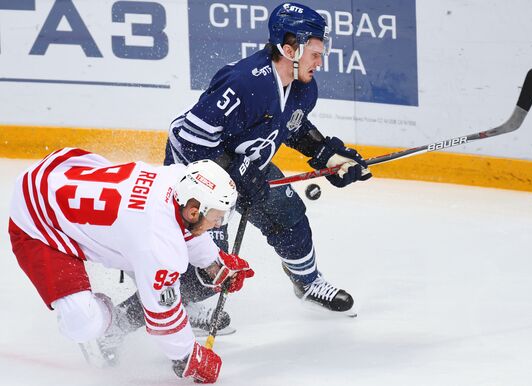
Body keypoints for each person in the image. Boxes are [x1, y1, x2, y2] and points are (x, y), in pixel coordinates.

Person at [162, 1, 372, 320]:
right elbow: (190, 139)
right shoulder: (243, 82)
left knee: (288, 215)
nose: (320, 61)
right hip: (199, 172)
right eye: (315, 53)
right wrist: (226, 181)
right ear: (290, 50)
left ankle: (308, 282)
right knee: (210, 254)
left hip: (247, 166)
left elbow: (292, 125)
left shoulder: (303, 89)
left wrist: (327, 154)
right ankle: (182, 306)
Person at [8, 148, 254, 383]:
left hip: (58, 170)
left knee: (139, 248)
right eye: (217, 217)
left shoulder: (176, 178)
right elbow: (163, 318)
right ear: (193, 211)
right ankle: (112, 322)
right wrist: (189, 356)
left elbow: (182, 227)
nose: (219, 223)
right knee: (82, 324)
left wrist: (214, 263)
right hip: (36, 222)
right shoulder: (158, 245)